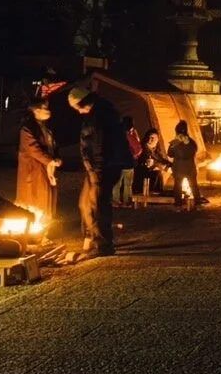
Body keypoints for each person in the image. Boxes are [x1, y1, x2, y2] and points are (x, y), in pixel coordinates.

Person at [68, 84, 133, 257]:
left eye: (76, 108)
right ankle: (93, 237)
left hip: (101, 167)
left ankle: (103, 245)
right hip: (102, 166)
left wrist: (96, 171)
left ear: (82, 104)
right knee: (86, 203)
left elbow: (98, 146)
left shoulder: (98, 117)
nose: (77, 112)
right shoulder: (104, 111)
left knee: (99, 205)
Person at [15, 97, 60, 214]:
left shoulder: (45, 127)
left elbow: (52, 145)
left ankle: (47, 221)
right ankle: (34, 221)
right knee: (36, 195)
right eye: (45, 108)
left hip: (45, 167)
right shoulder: (27, 128)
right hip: (33, 168)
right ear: (36, 110)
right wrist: (49, 160)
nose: (48, 110)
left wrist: (56, 158)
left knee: (47, 193)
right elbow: (33, 149)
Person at [163, 120, 203, 209]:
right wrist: (187, 144)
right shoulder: (191, 142)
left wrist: (174, 145)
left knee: (178, 187)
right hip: (190, 168)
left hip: (178, 168)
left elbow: (170, 154)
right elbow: (193, 152)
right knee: (194, 186)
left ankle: (178, 205)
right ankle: (198, 204)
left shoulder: (175, 142)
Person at [112, 115, 140, 208]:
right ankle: (127, 201)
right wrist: (135, 155)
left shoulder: (115, 134)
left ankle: (115, 201)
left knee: (116, 183)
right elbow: (138, 148)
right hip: (128, 163)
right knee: (128, 184)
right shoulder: (129, 136)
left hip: (117, 163)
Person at [137, 128, 165, 198]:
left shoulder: (156, 150)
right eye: (149, 137)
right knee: (157, 173)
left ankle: (158, 193)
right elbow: (142, 160)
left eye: (152, 138)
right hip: (142, 173)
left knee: (158, 172)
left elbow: (161, 160)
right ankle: (151, 193)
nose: (150, 140)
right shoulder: (142, 148)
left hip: (152, 171)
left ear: (157, 139)